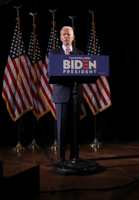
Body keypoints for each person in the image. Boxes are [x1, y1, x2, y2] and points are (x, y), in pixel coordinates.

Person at [49, 26, 84, 163]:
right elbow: (49, 73)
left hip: (76, 95)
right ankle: (61, 157)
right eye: (64, 34)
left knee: (75, 128)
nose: (66, 37)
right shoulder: (54, 53)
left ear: (73, 37)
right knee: (61, 128)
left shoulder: (80, 54)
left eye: (69, 34)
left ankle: (75, 156)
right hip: (61, 95)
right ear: (60, 37)